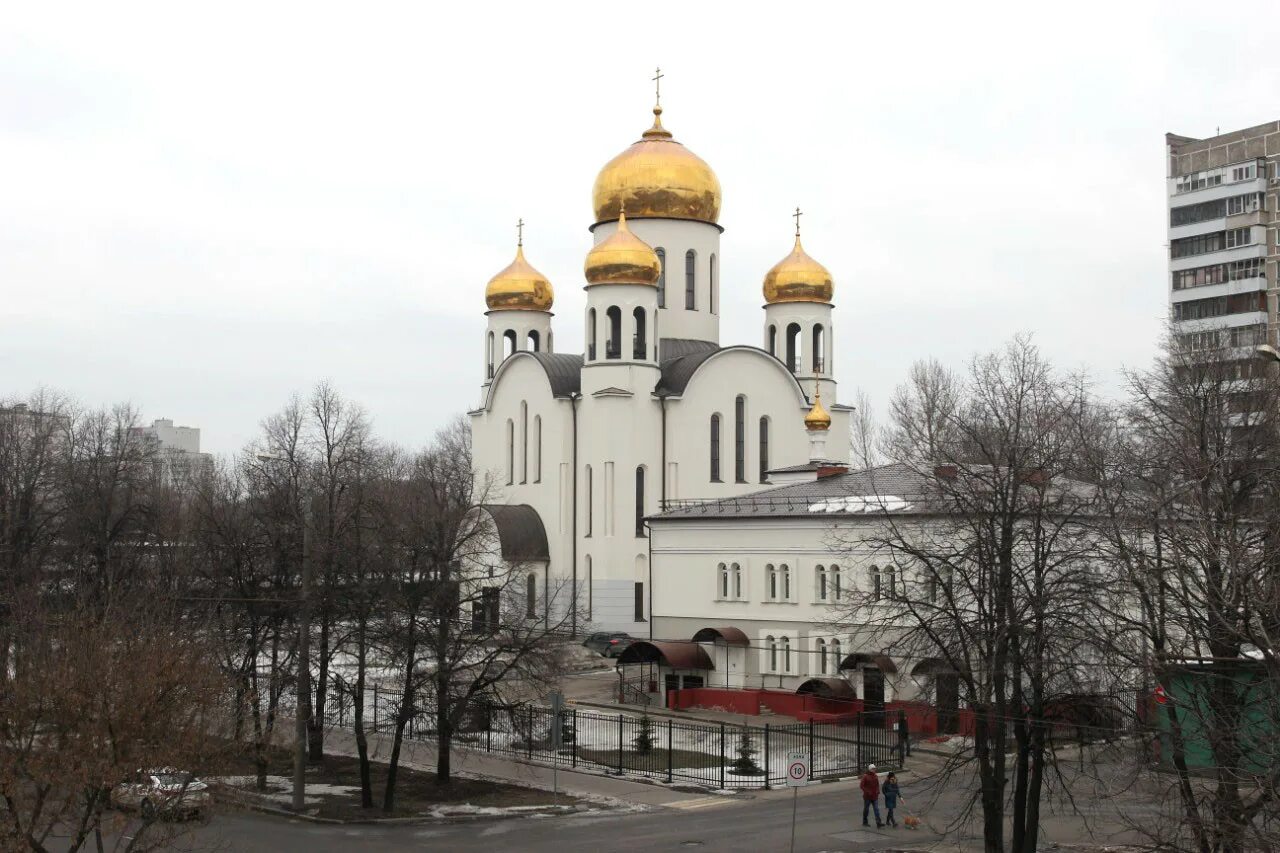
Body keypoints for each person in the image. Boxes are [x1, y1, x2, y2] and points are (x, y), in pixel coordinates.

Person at [860, 764, 882, 828]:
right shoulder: (865, 776)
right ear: (870, 769)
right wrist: (867, 791)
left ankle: (878, 822)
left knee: (876, 809)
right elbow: (862, 786)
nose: (874, 770)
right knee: (866, 809)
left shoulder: (875, 776)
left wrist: (878, 791)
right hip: (867, 797)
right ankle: (865, 822)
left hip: (875, 796)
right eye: (873, 769)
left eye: (874, 768)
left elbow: (877, 785)